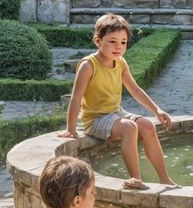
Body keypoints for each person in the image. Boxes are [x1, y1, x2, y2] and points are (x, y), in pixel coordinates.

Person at [64, 13, 174, 190]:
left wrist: (157, 110)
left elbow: (135, 90)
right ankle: (135, 179)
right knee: (130, 128)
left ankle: (165, 179)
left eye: (123, 42)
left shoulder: (120, 63)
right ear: (98, 41)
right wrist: (70, 129)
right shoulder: (88, 65)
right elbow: (76, 97)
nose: (118, 47)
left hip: (115, 114)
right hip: (95, 119)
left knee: (147, 125)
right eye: (112, 41)